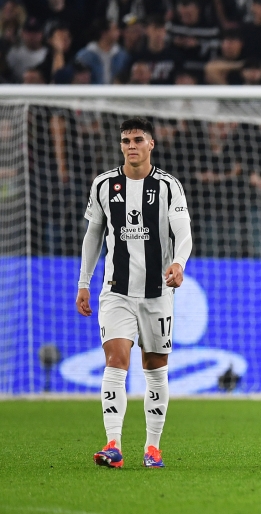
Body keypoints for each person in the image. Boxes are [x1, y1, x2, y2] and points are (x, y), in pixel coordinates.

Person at [75, 116, 192, 468]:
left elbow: (183, 231)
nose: (131, 146)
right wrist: (84, 282)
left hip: (157, 293)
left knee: (155, 367)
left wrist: (180, 263)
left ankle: (152, 447)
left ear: (151, 144)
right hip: (116, 291)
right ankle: (113, 444)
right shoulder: (103, 185)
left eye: (138, 139)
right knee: (116, 360)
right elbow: (93, 235)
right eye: (126, 140)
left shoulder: (169, 187)